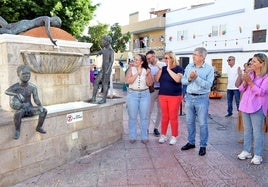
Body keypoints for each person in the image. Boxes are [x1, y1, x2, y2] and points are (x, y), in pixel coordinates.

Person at [180, 47, 214, 156]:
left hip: (202, 98)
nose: (193, 56)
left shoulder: (209, 69)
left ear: (202, 57)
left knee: (203, 123)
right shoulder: (189, 66)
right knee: (189, 122)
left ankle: (203, 145)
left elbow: (208, 85)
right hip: (189, 97)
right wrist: (189, 79)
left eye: (195, 54)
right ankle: (191, 142)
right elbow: (183, 81)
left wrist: (196, 78)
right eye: (193, 54)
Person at [237, 53, 268, 165]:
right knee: (247, 130)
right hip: (245, 106)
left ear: (262, 63)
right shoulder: (250, 74)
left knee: (257, 132)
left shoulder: (266, 77)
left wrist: (250, 82)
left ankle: (258, 155)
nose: (251, 63)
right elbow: (240, 89)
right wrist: (245, 81)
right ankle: (247, 151)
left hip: (257, 107)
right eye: (251, 61)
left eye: (254, 61)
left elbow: (262, 92)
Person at [5, 65, 47, 140]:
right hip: (22, 109)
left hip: (30, 109)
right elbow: (6, 91)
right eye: (24, 74)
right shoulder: (16, 86)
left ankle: (39, 127)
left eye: (28, 73)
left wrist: (40, 106)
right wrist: (16, 94)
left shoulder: (32, 87)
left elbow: (36, 99)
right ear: (18, 74)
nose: (26, 75)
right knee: (17, 113)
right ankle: (17, 130)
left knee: (44, 111)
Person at [155, 51, 183, 145]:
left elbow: (178, 79)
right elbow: (157, 79)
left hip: (175, 96)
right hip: (163, 95)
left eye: (167, 58)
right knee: (165, 116)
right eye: (164, 58)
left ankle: (174, 136)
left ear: (172, 58)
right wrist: (160, 70)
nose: (165, 60)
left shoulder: (179, 68)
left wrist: (168, 69)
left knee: (173, 116)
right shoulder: (162, 69)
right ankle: (163, 135)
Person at [125, 54, 153, 144]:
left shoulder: (147, 70)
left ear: (142, 62)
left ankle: (144, 136)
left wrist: (147, 74)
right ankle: (132, 136)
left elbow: (149, 84)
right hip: (132, 94)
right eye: (134, 59)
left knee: (144, 117)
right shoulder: (131, 69)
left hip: (145, 94)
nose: (134, 61)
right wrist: (137, 73)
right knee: (132, 116)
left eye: (137, 60)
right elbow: (128, 81)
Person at [88, 35, 114, 104]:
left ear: (108, 42)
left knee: (105, 84)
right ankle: (93, 98)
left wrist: (108, 70)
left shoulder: (111, 51)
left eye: (103, 41)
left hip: (107, 70)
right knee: (96, 82)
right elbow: (97, 52)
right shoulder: (104, 50)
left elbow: (111, 61)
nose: (102, 42)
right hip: (102, 69)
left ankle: (104, 99)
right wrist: (88, 54)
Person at [146, 50, 166, 137]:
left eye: (150, 58)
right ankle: (146, 128)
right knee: (148, 110)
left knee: (160, 111)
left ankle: (156, 128)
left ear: (154, 56)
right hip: (152, 90)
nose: (149, 60)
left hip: (162, 90)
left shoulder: (163, 65)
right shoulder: (148, 67)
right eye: (147, 58)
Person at [235, 58, 252, 143]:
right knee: (245, 123)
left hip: (255, 105)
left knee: (256, 124)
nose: (250, 65)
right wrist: (240, 75)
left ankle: (254, 140)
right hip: (244, 103)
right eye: (248, 64)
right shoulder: (245, 74)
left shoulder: (261, 76)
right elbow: (238, 85)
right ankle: (247, 138)